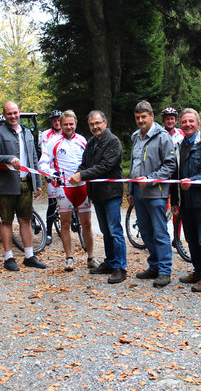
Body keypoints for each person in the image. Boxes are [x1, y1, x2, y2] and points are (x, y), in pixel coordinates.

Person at [70, 110, 127, 283]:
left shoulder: (113, 142)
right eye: (92, 124)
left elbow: (105, 167)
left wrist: (82, 175)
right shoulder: (91, 143)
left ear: (105, 122)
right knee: (105, 230)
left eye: (98, 123)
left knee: (115, 230)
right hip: (98, 194)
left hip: (111, 193)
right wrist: (78, 172)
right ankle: (110, 262)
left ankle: (120, 267)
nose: (95, 127)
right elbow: (85, 163)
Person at [0, 101, 46, 271]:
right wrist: (9, 159)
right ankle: (9, 258)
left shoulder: (27, 132)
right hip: (6, 184)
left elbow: (34, 158)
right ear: (4, 115)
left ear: (19, 112)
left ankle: (29, 256)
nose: (13, 116)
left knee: (26, 219)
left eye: (15, 113)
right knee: (6, 220)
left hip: (25, 182)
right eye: (9, 113)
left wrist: (37, 183)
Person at [128, 100, 177, 288]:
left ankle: (165, 271)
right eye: (138, 117)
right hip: (139, 193)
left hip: (156, 193)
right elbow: (134, 165)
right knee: (146, 232)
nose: (141, 120)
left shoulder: (163, 137)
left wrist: (151, 178)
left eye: (144, 117)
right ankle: (154, 265)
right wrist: (131, 189)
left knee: (159, 232)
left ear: (152, 116)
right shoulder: (135, 137)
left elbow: (170, 164)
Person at [171, 108, 201, 292]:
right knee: (191, 239)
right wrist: (175, 199)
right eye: (184, 122)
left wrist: (193, 181)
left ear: (198, 124)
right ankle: (198, 272)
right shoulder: (179, 145)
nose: (187, 124)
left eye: (191, 121)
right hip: (185, 202)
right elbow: (175, 174)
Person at [39, 110, 95, 271]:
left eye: (71, 124)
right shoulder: (53, 141)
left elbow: (90, 163)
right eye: (65, 124)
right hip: (63, 188)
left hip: (82, 187)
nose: (68, 127)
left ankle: (91, 257)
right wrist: (52, 173)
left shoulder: (83, 140)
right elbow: (43, 163)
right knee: (65, 223)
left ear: (76, 124)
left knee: (87, 223)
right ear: (60, 125)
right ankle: (69, 257)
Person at [39, 110, 63, 245]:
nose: (57, 122)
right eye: (54, 120)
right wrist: (47, 173)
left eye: (59, 119)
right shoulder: (46, 135)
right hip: (52, 171)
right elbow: (44, 154)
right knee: (52, 203)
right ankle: (48, 233)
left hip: (65, 171)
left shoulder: (66, 131)